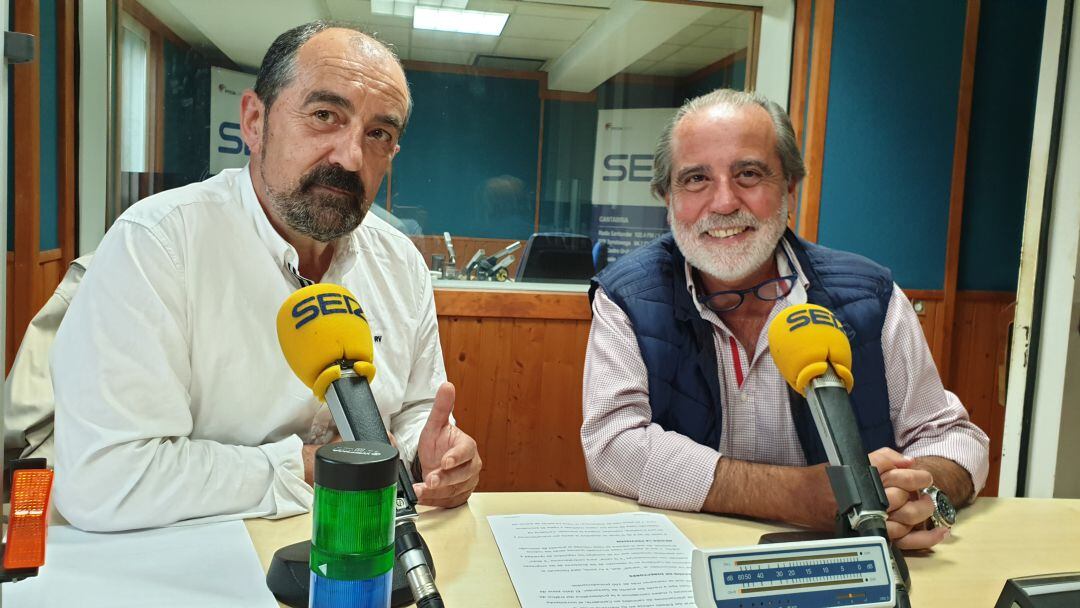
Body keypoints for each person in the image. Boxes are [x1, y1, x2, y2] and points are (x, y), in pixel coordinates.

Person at [51, 22, 481, 531]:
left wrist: (429, 457)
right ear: (255, 121)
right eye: (325, 116)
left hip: (362, 550)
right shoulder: (160, 244)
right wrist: (310, 467)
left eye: (379, 134)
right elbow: (104, 479)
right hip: (196, 565)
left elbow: (414, 412)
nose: (350, 157)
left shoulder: (400, 264)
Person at [581, 88, 989, 550]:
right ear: (667, 197)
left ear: (789, 187)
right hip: (689, 561)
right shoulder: (626, 297)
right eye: (695, 179)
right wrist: (794, 496)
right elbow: (612, 447)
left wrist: (917, 492)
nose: (723, 202)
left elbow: (949, 435)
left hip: (852, 564)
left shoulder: (870, 295)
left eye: (749, 174)